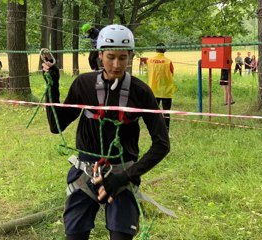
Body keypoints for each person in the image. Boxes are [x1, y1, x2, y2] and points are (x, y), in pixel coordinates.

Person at [43, 24, 170, 240]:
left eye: (123, 57)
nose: (116, 64)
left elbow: (162, 145)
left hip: (123, 173)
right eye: (110, 57)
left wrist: (124, 178)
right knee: (74, 235)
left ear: (130, 56)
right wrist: (52, 85)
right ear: (100, 55)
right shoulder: (84, 84)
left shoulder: (141, 92)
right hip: (84, 173)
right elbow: (57, 126)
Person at [147, 43, 175, 133]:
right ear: (165, 50)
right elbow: (172, 73)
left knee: (154, 113)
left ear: (156, 50)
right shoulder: (168, 61)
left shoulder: (149, 60)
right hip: (166, 91)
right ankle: (166, 131)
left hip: (153, 90)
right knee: (166, 112)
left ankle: (153, 130)